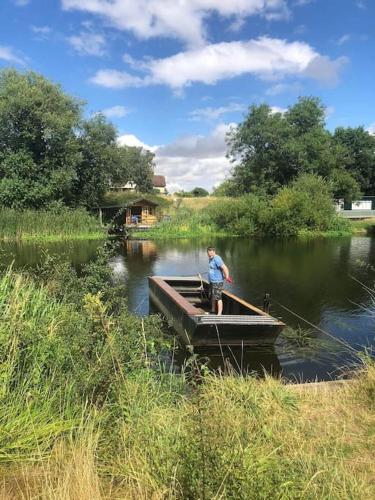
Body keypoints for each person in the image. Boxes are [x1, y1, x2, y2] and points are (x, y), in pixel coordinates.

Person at [207, 246, 230, 315]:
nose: (210, 255)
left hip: (217, 281)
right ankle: (213, 310)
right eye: (208, 254)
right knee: (213, 296)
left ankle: (219, 314)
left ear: (214, 252)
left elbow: (225, 268)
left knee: (218, 298)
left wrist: (227, 276)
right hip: (212, 281)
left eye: (211, 254)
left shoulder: (217, 259)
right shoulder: (211, 258)